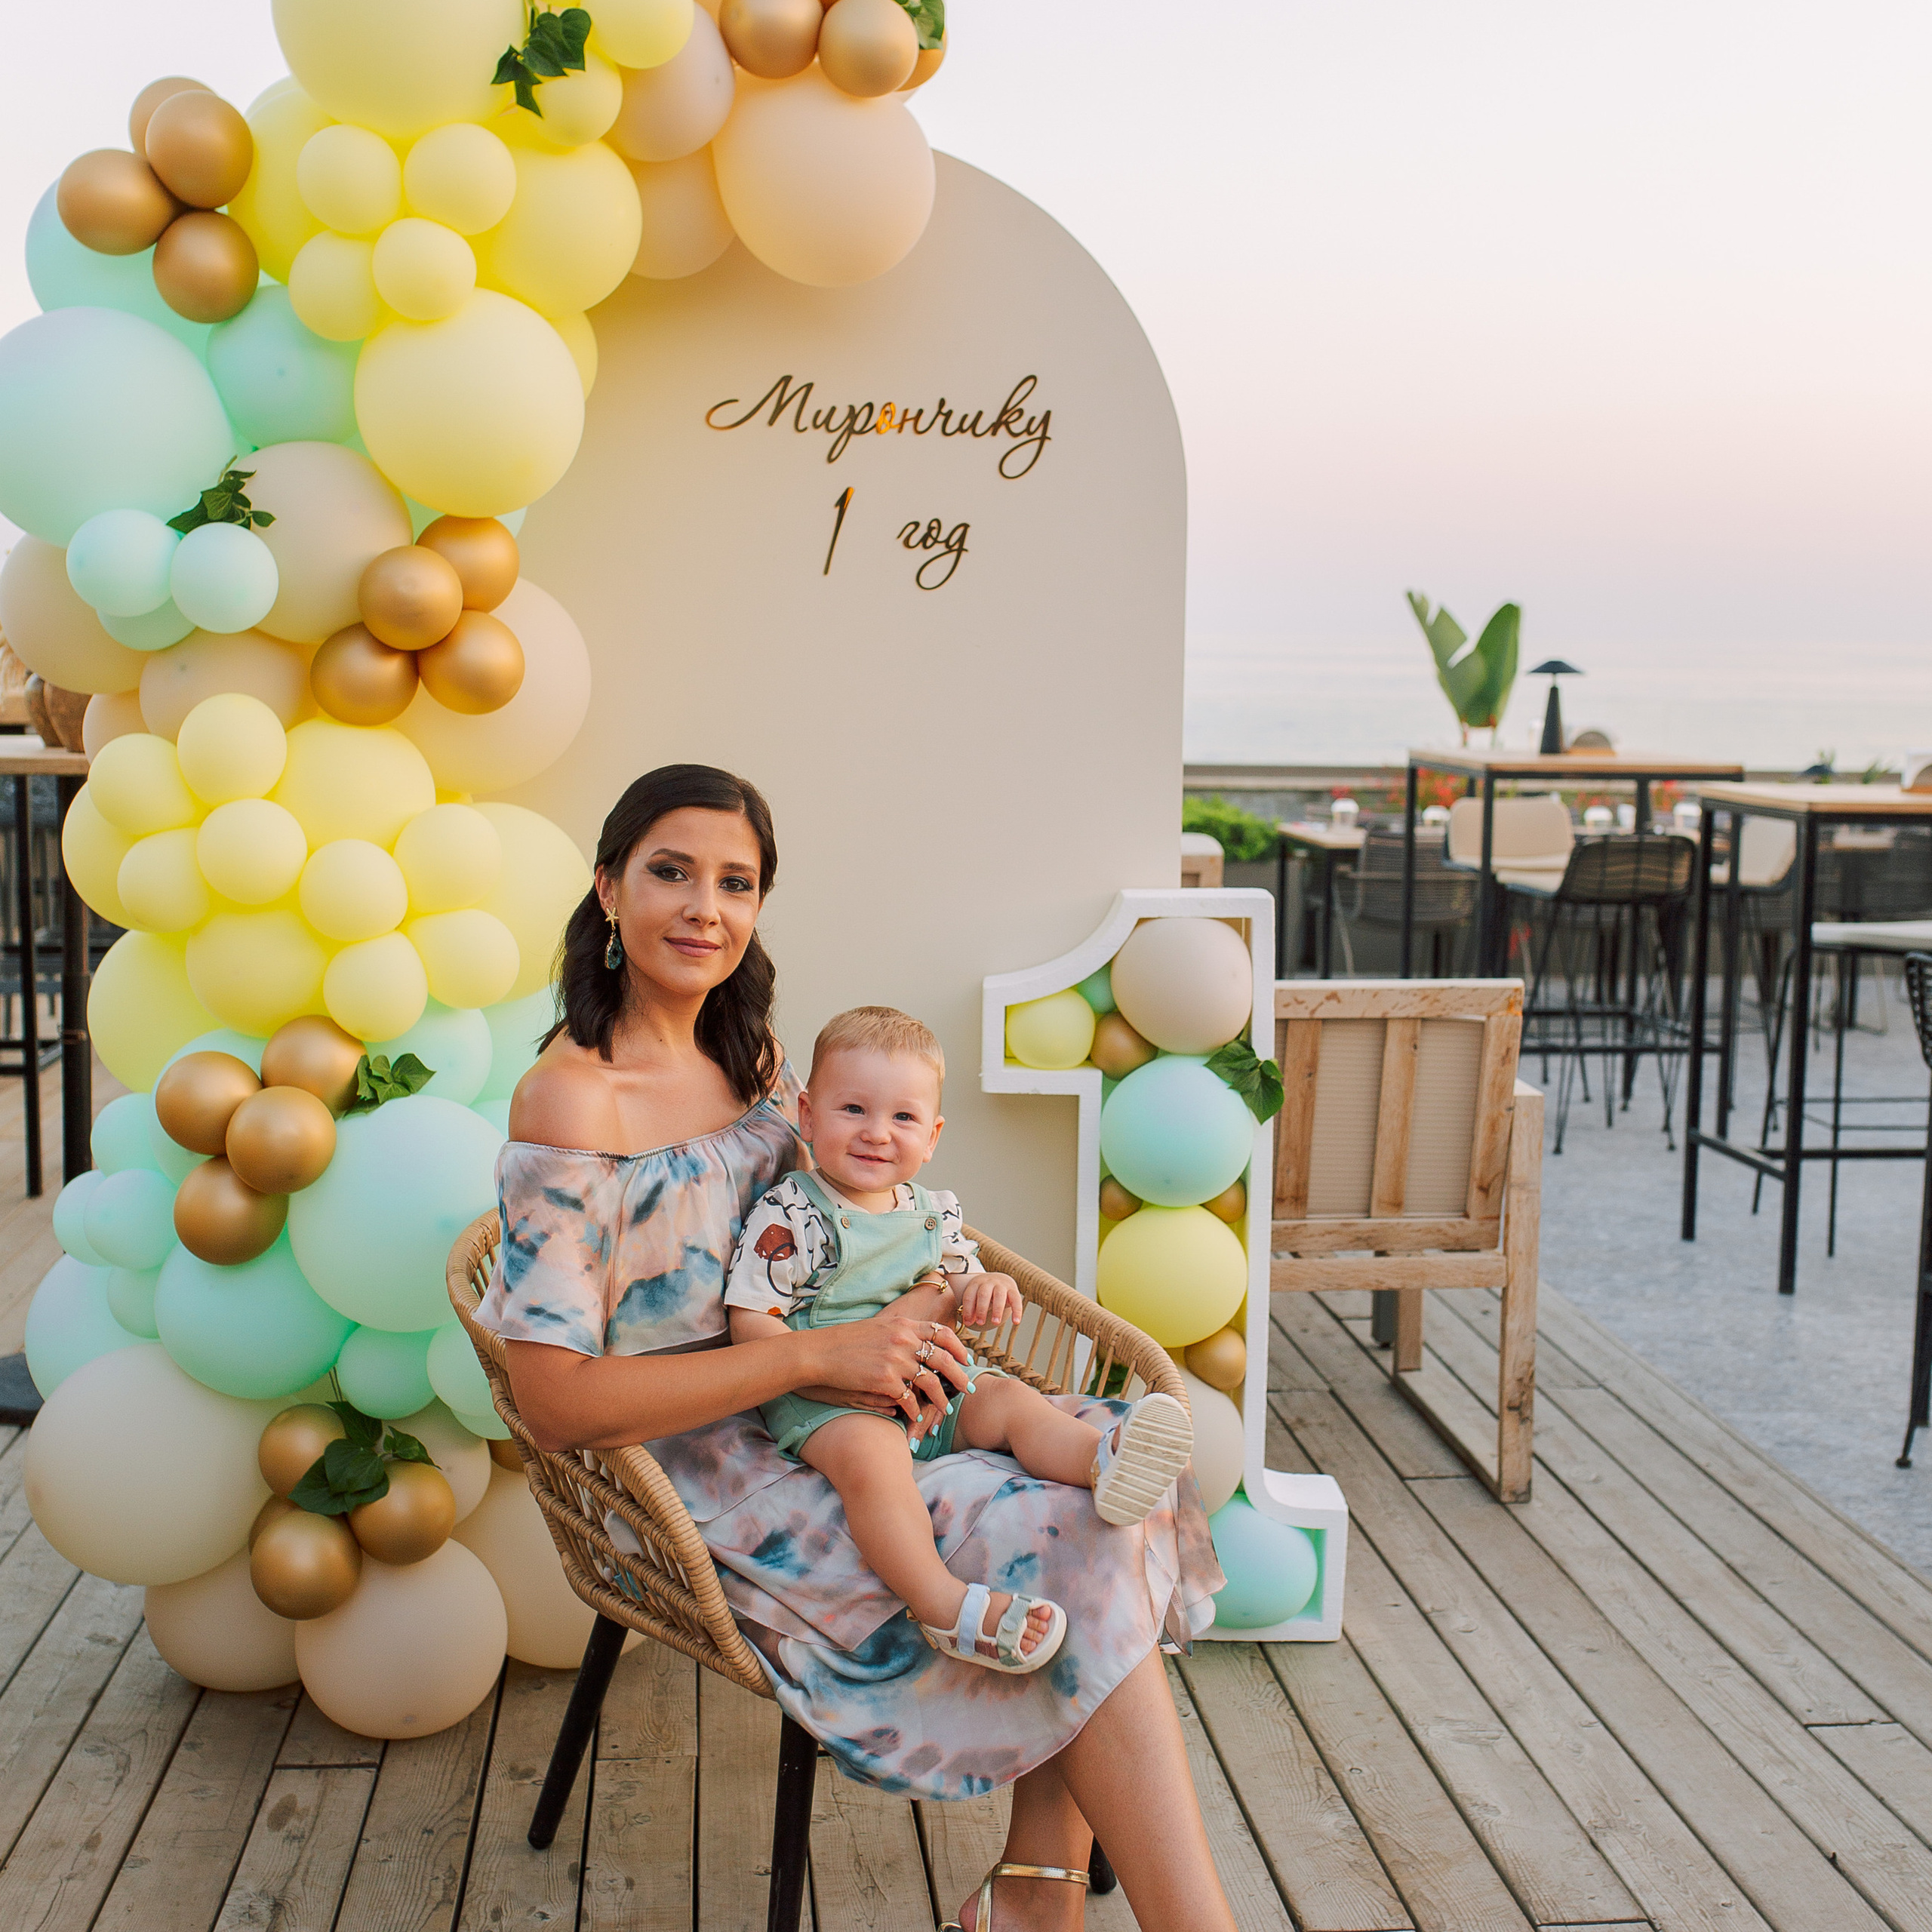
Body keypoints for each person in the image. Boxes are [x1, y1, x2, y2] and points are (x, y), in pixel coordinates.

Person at [480, 763, 1235, 1932]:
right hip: (697, 1468)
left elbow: (840, 1231)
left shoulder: (757, 1061)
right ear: (609, 888)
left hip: (847, 1398)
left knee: (1095, 1473)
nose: (704, 908)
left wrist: (928, 1306)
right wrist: (816, 1364)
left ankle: (1038, 1885)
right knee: (1056, 1523)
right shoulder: (572, 1106)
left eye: (737, 883)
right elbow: (556, 1406)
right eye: (671, 872)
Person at [725, 1004, 1195, 1676]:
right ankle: (941, 1604)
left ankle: (1104, 1464)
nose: (876, 1134)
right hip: (829, 1399)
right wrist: (819, 1370)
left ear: (934, 1134)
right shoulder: (793, 1214)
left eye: (903, 1118)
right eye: (852, 1109)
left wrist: (986, 1288)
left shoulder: (932, 1211)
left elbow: (962, 1278)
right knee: (874, 1461)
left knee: (1006, 1401)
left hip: (934, 1386)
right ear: (807, 1116)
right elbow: (751, 1325)